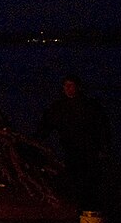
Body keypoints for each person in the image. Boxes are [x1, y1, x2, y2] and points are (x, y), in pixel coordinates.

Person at [37, 75, 111, 210]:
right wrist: (35, 141)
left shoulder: (90, 106)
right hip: (70, 152)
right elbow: (46, 126)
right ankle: (76, 212)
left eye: (70, 85)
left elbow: (103, 127)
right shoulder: (59, 107)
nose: (67, 88)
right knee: (74, 182)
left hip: (90, 153)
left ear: (78, 87)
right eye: (65, 85)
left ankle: (90, 213)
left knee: (91, 185)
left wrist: (103, 148)